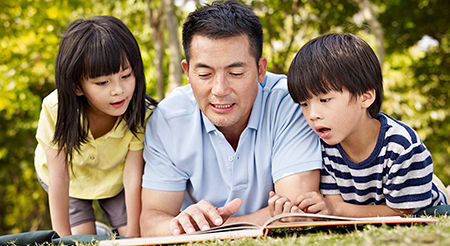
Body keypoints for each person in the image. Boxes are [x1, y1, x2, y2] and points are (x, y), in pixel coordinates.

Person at [140, 0, 322, 236]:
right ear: (187, 72)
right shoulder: (168, 120)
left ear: (260, 69)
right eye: (205, 74)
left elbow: (295, 213)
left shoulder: (292, 102)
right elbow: (151, 223)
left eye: (235, 73)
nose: (219, 89)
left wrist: (206, 230)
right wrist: (181, 223)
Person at [268, 33, 448, 218]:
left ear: (365, 97)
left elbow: (402, 212)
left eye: (325, 99)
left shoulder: (401, 146)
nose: (313, 114)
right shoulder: (325, 147)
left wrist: (334, 209)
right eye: (304, 104)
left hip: (426, 206)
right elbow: (335, 206)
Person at [34, 16, 157, 237]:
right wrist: (62, 240)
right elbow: (59, 175)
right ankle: (97, 231)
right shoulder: (56, 108)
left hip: (115, 180)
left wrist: (135, 237)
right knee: (82, 238)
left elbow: (132, 176)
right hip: (70, 183)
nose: (118, 90)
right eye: (103, 83)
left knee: (132, 232)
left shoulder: (140, 112)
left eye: (126, 75)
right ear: (77, 86)